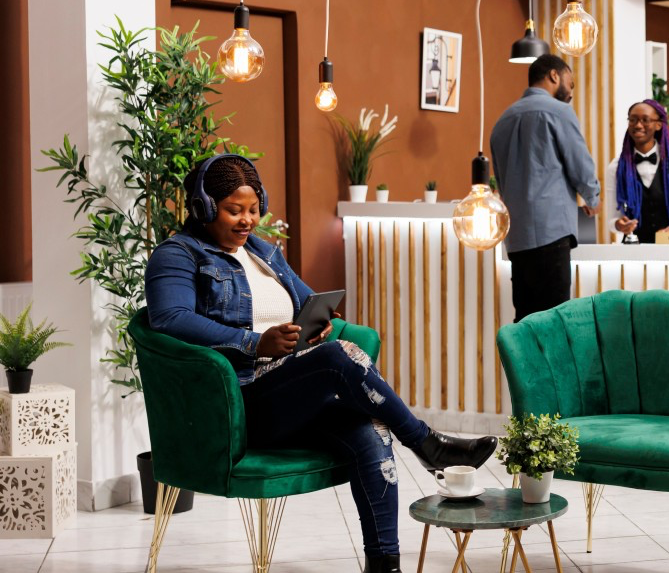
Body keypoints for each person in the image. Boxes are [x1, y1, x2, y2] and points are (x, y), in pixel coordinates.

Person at [144, 154, 496, 573]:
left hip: (289, 394)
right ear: (203, 207)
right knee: (336, 357)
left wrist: (319, 321)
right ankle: (425, 442)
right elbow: (170, 318)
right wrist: (254, 342)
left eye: (254, 209)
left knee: (370, 428)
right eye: (234, 210)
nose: (247, 221)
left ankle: (384, 564)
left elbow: (307, 299)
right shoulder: (178, 255)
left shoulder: (262, 252)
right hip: (238, 400)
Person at [489, 54, 600, 321]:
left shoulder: (502, 121)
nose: (570, 92)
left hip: (517, 238)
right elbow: (580, 164)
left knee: (525, 321)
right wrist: (592, 197)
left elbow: (502, 181)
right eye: (570, 84)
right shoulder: (559, 112)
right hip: (551, 233)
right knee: (555, 320)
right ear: (553, 75)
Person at [605, 99, 669, 243]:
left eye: (645, 120)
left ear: (658, 125)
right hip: (634, 249)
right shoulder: (616, 167)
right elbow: (612, 219)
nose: (638, 125)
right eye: (633, 120)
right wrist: (619, 225)